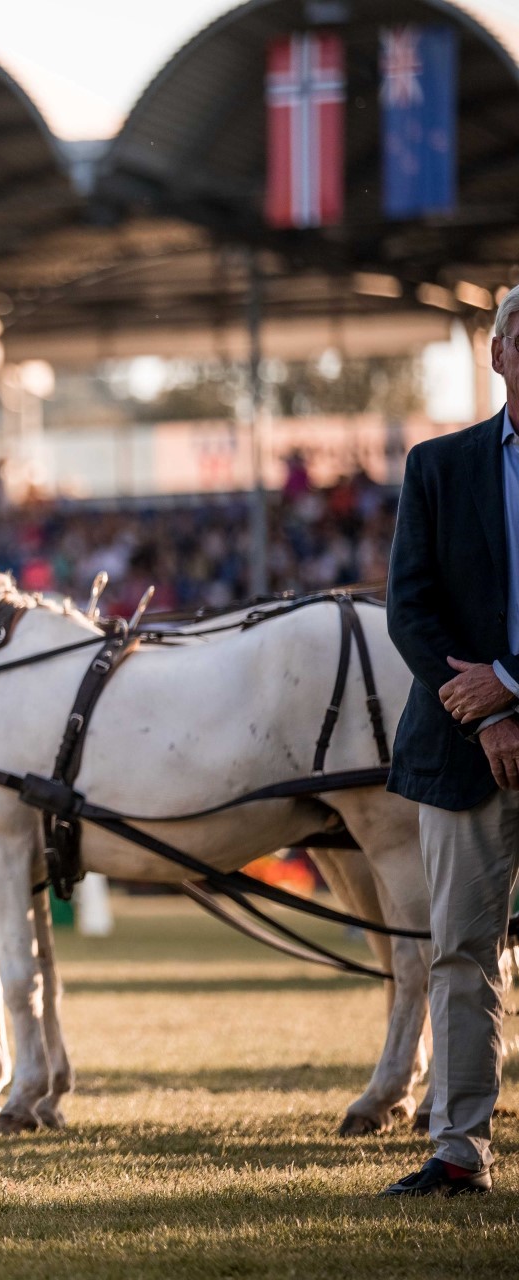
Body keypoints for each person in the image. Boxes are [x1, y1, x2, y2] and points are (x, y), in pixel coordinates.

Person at [380, 287, 519, 1197]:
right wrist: (491, 709)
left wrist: (511, 684)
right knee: (461, 952)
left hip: (492, 710)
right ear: (500, 353)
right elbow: (409, 610)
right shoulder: (438, 466)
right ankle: (459, 1147)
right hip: (466, 751)